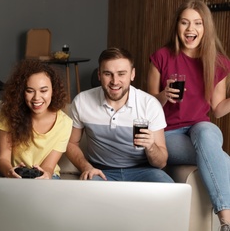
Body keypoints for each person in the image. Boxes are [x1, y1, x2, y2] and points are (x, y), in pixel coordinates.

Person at [147, 0, 230, 229]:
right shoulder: (162, 57)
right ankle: (227, 221)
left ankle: (225, 221)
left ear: (205, 28)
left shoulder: (219, 63)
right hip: (168, 133)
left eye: (197, 23)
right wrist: (164, 95)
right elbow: (147, 105)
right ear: (177, 26)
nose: (190, 29)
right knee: (218, 158)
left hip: (199, 130)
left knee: (206, 131)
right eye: (185, 22)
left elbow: (217, 109)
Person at [66, 47, 173, 183]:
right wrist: (86, 167)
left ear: (132, 74)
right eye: (108, 74)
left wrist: (151, 146)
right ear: (99, 75)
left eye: (121, 74)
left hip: (143, 171)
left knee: (168, 189)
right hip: (101, 171)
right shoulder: (82, 101)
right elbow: (71, 143)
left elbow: (161, 163)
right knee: (89, 189)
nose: (115, 81)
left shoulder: (149, 104)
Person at [0, 59, 72, 179]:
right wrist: (10, 172)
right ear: (21, 92)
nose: (37, 97)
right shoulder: (9, 114)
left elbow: (49, 166)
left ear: (53, 91)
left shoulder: (65, 123)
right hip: (6, 171)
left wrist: (45, 175)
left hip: (44, 175)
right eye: (30, 91)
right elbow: (3, 159)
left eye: (43, 90)